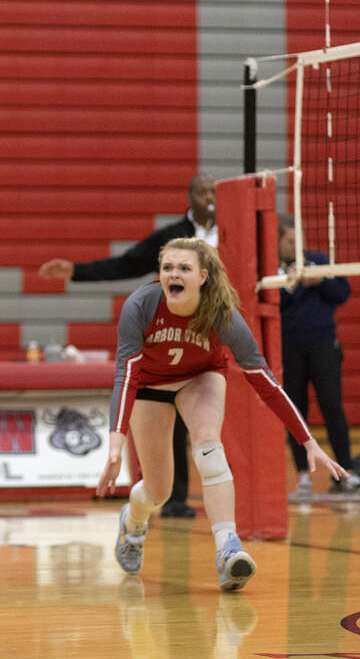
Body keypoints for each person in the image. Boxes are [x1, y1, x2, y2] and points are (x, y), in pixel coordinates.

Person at [96, 238, 345, 591]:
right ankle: (133, 521)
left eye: (183, 268)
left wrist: (308, 441)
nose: (173, 274)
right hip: (150, 386)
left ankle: (228, 550)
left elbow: (266, 382)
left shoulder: (221, 314)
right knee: (158, 491)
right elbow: (126, 377)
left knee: (209, 446)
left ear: (202, 276)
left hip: (200, 378)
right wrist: (115, 446)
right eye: (167, 267)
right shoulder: (141, 305)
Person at [40, 173, 218, 519]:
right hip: (177, 334)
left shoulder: (237, 231)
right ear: (189, 196)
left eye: (213, 191)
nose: (209, 197)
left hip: (218, 332)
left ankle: (223, 500)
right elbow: (128, 263)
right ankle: (174, 498)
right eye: (201, 191)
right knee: (174, 419)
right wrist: (76, 270)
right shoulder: (172, 237)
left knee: (212, 422)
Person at [276, 215, 360, 494]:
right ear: (278, 242)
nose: (295, 245)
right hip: (289, 348)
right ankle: (302, 475)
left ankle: (345, 474)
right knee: (295, 412)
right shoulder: (273, 268)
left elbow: (342, 292)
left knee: (333, 408)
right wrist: (291, 283)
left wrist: (319, 279)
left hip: (323, 345)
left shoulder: (318, 260)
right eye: (289, 241)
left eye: (298, 239)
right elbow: (273, 304)